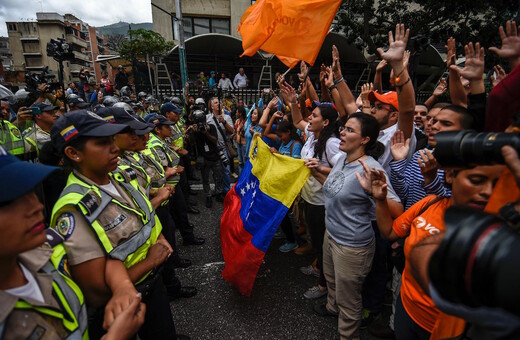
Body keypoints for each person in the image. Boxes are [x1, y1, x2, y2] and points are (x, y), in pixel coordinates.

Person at [48, 110, 188, 339]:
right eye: (102, 143)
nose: (114, 148)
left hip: (153, 284)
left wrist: (160, 240)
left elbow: (147, 217)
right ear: (74, 153)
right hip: (125, 299)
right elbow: (96, 292)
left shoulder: (118, 178)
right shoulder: (74, 208)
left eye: (112, 139)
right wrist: (151, 261)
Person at [0, 147, 146, 340]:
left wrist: (122, 288)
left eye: (30, 192)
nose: (37, 207)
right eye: (9, 202)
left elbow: (108, 260)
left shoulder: (44, 249)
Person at [370, 161, 504, 339]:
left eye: (497, 185)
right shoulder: (430, 203)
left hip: (446, 329)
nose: (487, 191)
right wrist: (380, 200)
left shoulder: (498, 234)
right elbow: (389, 232)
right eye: (476, 180)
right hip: (407, 309)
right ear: (450, 175)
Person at [308, 113, 403, 340]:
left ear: (364, 140)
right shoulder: (343, 158)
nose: (342, 132)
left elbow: (398, 210)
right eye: (344, 128)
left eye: (350, 130)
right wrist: (316, 171)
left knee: (348, 299)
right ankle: (332, 308)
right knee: (331, 280)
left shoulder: (370, 169)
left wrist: (373, 192)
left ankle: (347, 334)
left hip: (352, 247)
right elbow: (336, 186)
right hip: (331, 235)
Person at [284, 78, 343, 300]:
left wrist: (319, 167)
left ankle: (323, 284)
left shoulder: (332, 143)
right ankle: (319, 268)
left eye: (315, 116)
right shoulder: (312, 135)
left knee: (321, 243)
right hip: (311, 198)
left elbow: (345, 169)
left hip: (322, 202)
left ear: (326, 123)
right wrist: (292, 103)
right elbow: (298, 119)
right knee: (315, 238)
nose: (310, 117)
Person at [191, 109, 224, 208]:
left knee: (219, 177)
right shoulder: (195, 129)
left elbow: (214, 140)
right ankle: (208, 196)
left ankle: (219, 193)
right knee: (205, 179)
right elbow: (192, 143)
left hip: (214, 157)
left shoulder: (211, 127)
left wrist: (205, 133)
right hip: (204, 159)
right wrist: (193, 133)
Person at [207, 97, 234, 193]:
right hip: (213, 150)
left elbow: (232, 131)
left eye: (219, 102)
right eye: (215, 102)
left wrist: (224, 122)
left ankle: (227, 190)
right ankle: (218, 190)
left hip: (223, 149)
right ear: (211, 106)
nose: (218, 104)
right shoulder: (207, 118)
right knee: (215, 172)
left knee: (226, 171)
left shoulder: (227, 117)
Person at [235, 107, 247, 174]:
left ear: (240, 113)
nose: (236, 113)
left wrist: (241, 130)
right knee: (240, 162)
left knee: (244, 162)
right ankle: (240, 178)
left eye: (237, 112)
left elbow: (244, 134)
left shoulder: (245, 122)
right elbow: (236, 131)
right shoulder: (237, 121)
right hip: (238, 143)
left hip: (244, 144)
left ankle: (244, 177)